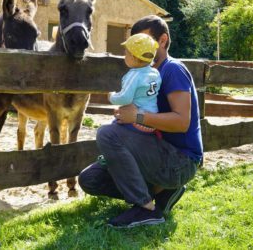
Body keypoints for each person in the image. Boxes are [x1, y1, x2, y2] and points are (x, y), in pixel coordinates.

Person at [79, 15, 203, 228]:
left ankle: (145, 208)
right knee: (90, 179)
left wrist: (136, 116)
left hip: (180, 161)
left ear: (162, 41)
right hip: (155, 152)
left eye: (143, 41)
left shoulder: (173, 69)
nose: (137, 48)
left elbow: (182, 122)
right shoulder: (146, 72)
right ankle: (163, 191)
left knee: (107, 134)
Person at [108, 33, 161, 135]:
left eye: (126, 53)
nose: (125, 56)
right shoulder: (155, 73)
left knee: (109, 131)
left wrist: (112, 96)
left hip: (135, 121)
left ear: (133, 57)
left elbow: (125, 98)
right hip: (151, 120)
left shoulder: (134, 75)